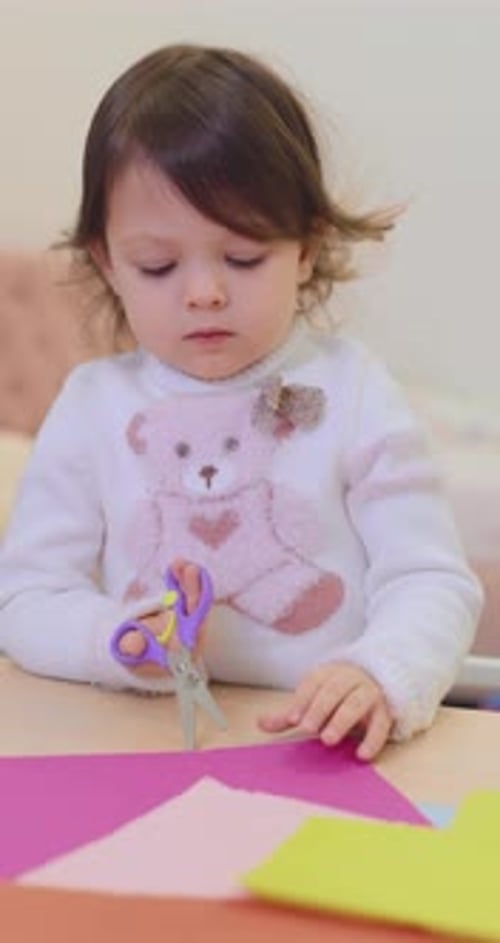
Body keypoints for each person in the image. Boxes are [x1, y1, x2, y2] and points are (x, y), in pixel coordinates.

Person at [0, 43, 482, 760]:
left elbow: (430, 577)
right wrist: (116, 641)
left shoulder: (352, 391)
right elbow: (26, 599)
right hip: (134, 741)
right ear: (107, 261)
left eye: (244, 257)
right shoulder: (92, 404)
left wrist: (381, 670)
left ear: (308, 248)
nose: (203, 292)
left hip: (321, 744)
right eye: (158, 265)